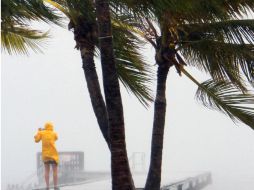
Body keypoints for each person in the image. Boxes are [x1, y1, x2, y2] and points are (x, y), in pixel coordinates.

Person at [34, 122, 59, 190]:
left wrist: (39, 131)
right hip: (53, 155)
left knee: (46, 171)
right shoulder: (53, 133)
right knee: (55, 171)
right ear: (51, 127)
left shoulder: (42, 133)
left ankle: (47, 187)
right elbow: (56, 138)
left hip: (46, 156)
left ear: (45, 127)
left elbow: (36, 140)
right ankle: (55, 186)